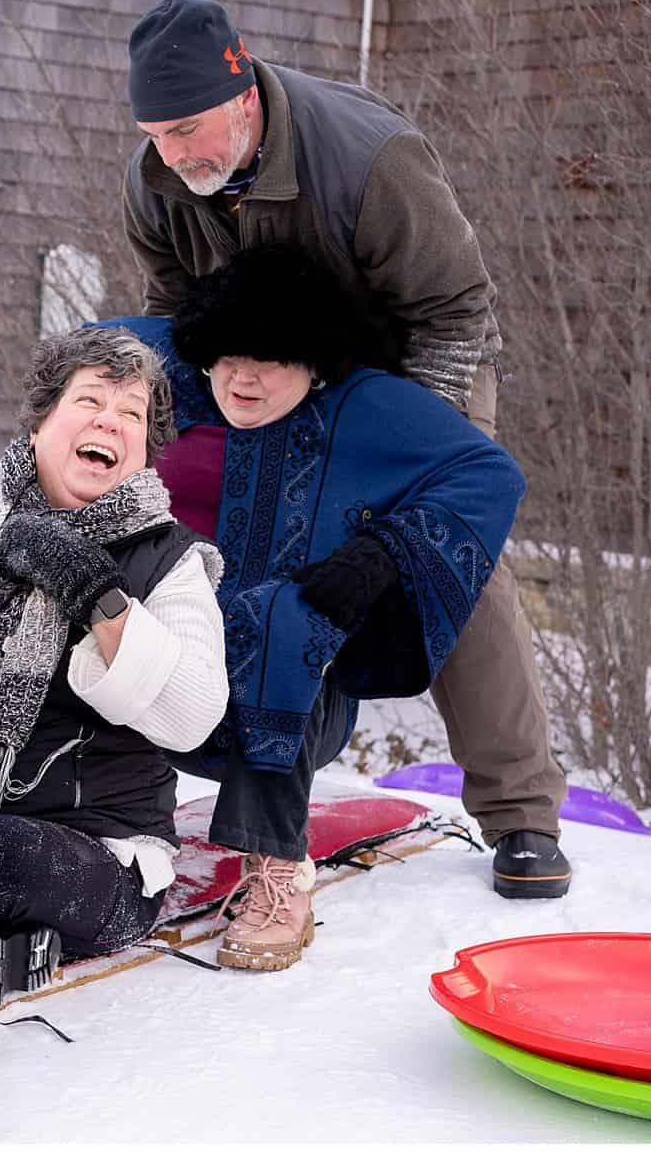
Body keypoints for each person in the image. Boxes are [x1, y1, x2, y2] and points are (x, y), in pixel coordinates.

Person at [119, 0, 571, 898]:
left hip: (412, 361)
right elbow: (176, 316)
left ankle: (522, 812)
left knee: (453, 553)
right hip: (259, 362)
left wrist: (392, 471)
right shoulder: (156, 178)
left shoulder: (370, 161)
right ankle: (177, 754)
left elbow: (456, 311)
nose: (174, 154)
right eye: (156, 133)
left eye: (190, 128)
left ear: (243, 92)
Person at [95, 244, 528, 970]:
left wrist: (384, 552)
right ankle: (75, 822)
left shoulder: (369, 406)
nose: (242, 376)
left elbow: (490, 474)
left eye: (268, 359)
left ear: (316, 361)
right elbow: (79, 359)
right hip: (170, 664)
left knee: (282, 612)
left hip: (295, 689)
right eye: (229, 355)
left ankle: (275, 872)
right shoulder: (174, 375)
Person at [0, 325, 228, 1015]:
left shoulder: (171, 562)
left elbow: (195, 712)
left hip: (88, 859)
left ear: (144, 450)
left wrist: (97, 597)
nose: (109, 421)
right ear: (42, 420)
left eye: (131, 414)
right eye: (90, 400)